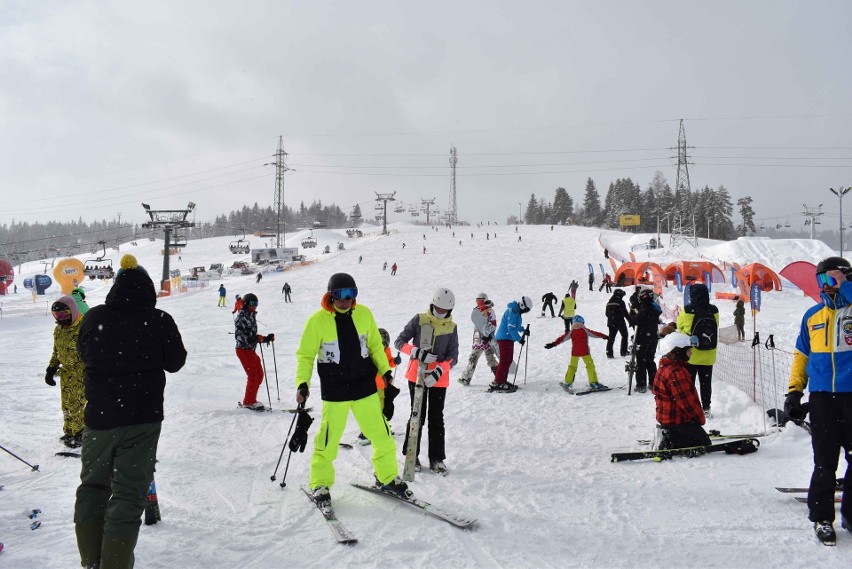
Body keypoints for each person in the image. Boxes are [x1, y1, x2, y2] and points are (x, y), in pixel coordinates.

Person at [74, 254, 186, 569]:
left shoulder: (95, 317)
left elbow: (85, 354)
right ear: (148, 290)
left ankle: (92, 561)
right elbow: (175, 362)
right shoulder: (159, 320)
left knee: (93, 488)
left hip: (100, 420)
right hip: (142, 419)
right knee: (127, 495)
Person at [295, 273, 408, 507]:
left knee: (382, 434)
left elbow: (376, 346)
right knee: (328, 439)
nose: (346, 300)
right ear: (331, 295)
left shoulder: (364, 314)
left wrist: (385, 372)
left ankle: (386, 477)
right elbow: (305, 355)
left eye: (351, 294)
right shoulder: (317, 321)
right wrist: (302, 383)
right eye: (341, 295)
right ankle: (320, 483)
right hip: (335, 390)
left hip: (363, 385)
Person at [784, 257, 852, 545]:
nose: (825, 287)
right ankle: (822, 518)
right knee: (824, 462)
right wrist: (794, 392)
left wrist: (847, 287)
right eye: (820, 281)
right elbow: (802, 356)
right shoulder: (812, 316)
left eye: (830, 280)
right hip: (823, 399)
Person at [395, 288, 459, 474]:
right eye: (437, 308)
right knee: (417, 414)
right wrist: (414, 351)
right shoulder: (419, 319)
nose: (440, 313)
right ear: (432, 304)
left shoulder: (452, 327)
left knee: (436, 417)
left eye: (444, 311)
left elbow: (454, 356)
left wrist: (440, 369)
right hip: (417, 375)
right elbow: (399, 342)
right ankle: (411, 455)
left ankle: (437, 458)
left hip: (438, 380)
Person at [651, 332, 709, 450]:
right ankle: (670, 439)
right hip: (676, 421)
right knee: (704, 443)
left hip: (667, 418)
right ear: (679, 351)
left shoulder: (665, 365)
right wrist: (700, 419)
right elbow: (687, 402)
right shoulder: (677, 372)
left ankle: (669, 433)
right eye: (689, 350)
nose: (692, 353)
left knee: (698, 435)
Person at [45, 295, 86, 448]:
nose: (60, 318)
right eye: (57, 315)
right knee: (67, 405)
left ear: (73, 311)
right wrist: (51, 368)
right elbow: (57, 351)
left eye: (64, 314)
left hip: (82, 373)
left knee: (77, 406)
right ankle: (69, 432)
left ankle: (80, 434)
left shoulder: (83, 327)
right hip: (67, 374)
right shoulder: (59, 330)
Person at [676, 283, 719, 416]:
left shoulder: (688, 309)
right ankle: (706, 408)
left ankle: (690, 408)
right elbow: (715, 326)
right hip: (709, 353)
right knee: (706, 383)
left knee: (689, 383)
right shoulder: (714, 310)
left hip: (692, 353)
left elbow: (680, 327)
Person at [356, 328, 402, 445]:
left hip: (382, 385)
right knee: (369, 408)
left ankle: (383, 428)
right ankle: (366, 432)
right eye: (380, 342)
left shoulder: (386, 351)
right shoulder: (368, 351)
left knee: (382, 408)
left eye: (384, 343)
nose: (382, 346)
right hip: (369, 384)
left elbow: (388, 362)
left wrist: (394, 361)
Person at [544, 314, 608, 393]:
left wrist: (553, 344)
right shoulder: (584, 330)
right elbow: (594, 333)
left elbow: (562, 338)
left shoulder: (572, 332)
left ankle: (568, 383)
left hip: (575, 353)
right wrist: (604, 336)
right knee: (590, 366)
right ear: (582, 322)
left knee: (572, 367)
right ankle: (594, 383)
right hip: (585, 352)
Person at [234, 293, 274, 410]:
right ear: (246, 304)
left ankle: (251, 399)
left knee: (259, 375)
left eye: (256, 304)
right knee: (253, 375)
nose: (255, 306)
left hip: (250, 349)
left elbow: (252, 335)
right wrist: (251, 339)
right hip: (243, 349)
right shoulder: (242, 316)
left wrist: (265, 338)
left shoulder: (251, 315)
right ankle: (249, 402)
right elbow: (239, 335)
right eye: (252, 304)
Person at [492, 296, 532, 392]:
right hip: (504, 338)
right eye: (526, 310)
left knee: (508, 360)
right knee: (505, 361)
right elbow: (511, 328)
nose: (525, 312)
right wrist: (519, 339)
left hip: (508, 339)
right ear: (523, 306)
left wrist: (523, 330)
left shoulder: (516, 312)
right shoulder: (514, 311)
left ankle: (502, 381)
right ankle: (498, 382)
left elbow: (515, 326)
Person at [459, 292, 499, 386]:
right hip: (479, 339)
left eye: (480, 301)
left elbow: (493, 324)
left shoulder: (489, 311)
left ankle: (499, 377)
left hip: (487, 339)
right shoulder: (477, 311)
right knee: (474, 357)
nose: (478, 303)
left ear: (484, 301)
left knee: (489, 358)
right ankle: (466, 378)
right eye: (477, 301)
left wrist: (488, 334)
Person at [629, 289, 663, 392]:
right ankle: (653, 383)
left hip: (643, 338)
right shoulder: (653, 307)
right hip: (652, 337)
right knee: (650, 361)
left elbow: (638, 320)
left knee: (641, 362)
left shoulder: (645, 307)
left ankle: (641, 385)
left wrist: (632, 315)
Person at [605, 289, 630, 358]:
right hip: (620, 322)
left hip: (611, 322)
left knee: (611, 337)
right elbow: (625, 313)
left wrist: (612, 318)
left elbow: (606, 313)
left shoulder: (609, 302)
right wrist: (630, 321)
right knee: (624, 335)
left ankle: (609, 353)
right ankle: (623, 351)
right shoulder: (620, 302)